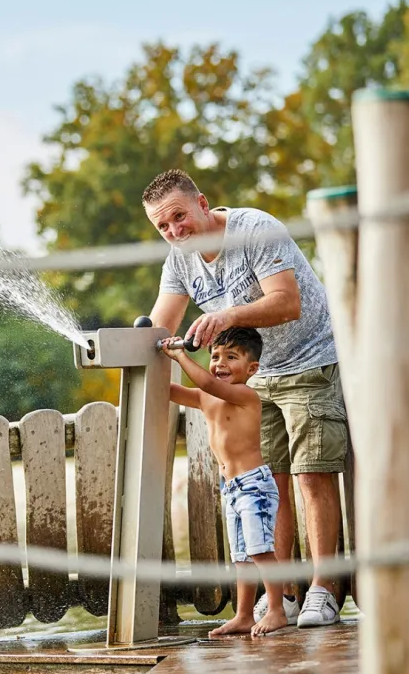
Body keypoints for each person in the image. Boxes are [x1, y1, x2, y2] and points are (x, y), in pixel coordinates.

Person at [144, 169, 346, 628]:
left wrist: (227, 315)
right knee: (270, 485)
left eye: (179, 216)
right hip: (252, 381)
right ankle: (286, 595)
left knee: (311, 476)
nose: (175, 231)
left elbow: (287, 301)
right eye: (163, 227)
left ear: (202, 202)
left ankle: (322, 590)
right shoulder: (178, 261)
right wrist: (121, 349)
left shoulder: (255, 229)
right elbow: (160, 326)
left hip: (308, 361)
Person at [160, 327, 286, 636]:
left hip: (254, 485)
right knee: (241, 557)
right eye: (215, 356)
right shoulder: (206, 397)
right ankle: (244, 615)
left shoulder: (246, 395)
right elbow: (168, 390)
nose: (220, 364)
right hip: (231, 489)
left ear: (251, 368)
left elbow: (204, 381)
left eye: (231, 357)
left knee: (260, 551)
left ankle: (277, 610)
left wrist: (179, 355)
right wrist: (150, 361)